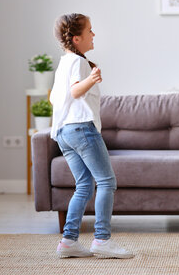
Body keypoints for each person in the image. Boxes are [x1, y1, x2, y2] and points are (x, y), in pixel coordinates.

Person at [50, 13, 133, 259]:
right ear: (77, 39)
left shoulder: (65, 61)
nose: (94, 35)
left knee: (84, 185)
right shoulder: (78, 62)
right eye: (90, 31)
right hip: (81, 128)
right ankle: (102, 240)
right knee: (107, 182)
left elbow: (57, 97)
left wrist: (89, 78)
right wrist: (91, 79)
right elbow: (75, 91)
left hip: (64, 131)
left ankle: (69, 241)